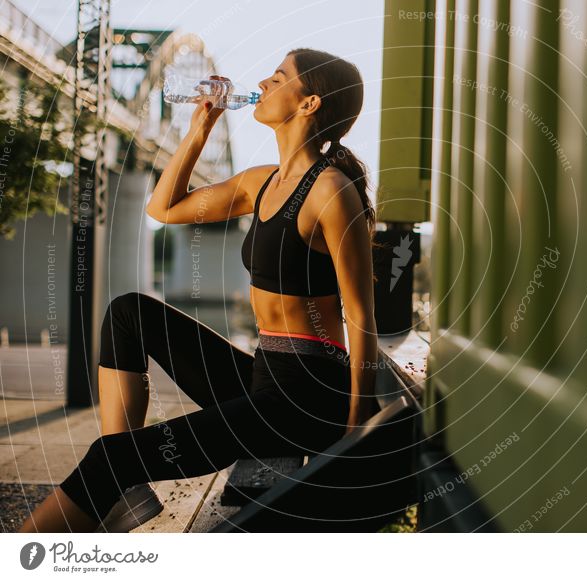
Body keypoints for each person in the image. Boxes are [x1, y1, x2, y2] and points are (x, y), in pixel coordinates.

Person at [19, 48, 379, 533]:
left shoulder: (331, 191)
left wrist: (357, 425)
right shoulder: (262, 183)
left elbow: (361, 315)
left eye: (278, 77)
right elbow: (163, 209)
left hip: (307, 397)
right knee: (130, 312)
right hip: (265, 376)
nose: (264, 85)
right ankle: (126, 486)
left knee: (109, 457)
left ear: (309, 103)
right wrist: (198, 133)